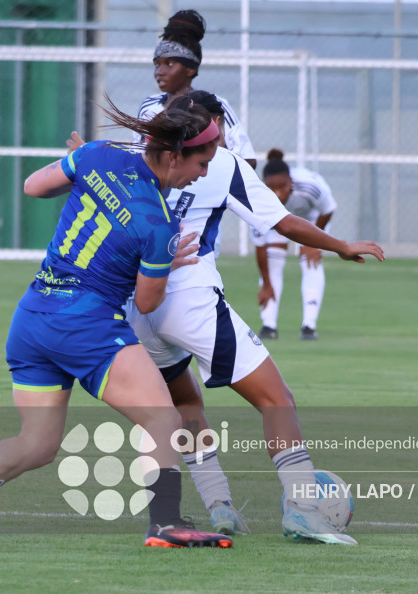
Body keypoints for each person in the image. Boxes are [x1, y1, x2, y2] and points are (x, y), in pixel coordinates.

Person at [0, 96, 231, 549]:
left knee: (38, 443)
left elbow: (33, 186)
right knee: (163, 416)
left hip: (33, 317)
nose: (202, 173)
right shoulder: (160, 227)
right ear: (173, 154)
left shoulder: (98, 154)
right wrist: (169, 265)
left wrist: (87, 173)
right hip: (84, 323)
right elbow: (145, 302)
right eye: (201, 162)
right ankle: (165, 524)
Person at [124, 91, 385, 545]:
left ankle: (221, 507)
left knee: (186, 405)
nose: (224, 137)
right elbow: (281, 223)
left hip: (138, 305)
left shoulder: (137, 155)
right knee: (276, 399)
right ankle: (304, 509)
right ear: (208, 127)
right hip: (189, 298)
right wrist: (340, 245)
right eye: (222, 127)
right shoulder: (222, 165)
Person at [134, 9, 257, 169]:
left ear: (190, 69)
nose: (160, 71)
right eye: (157, 64)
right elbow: (138, 154)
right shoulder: (149, 106)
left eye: (169, 64)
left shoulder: (214, 105)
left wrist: (209, 168)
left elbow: (247, 159)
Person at [252, 149, 338, 341]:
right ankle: (269, 325)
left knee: (310, 260)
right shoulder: (258, 200)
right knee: (273, 261)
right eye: (271, 188)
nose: (277, 193)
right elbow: (260, 247)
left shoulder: (310, 187)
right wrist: (266, 284)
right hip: (279, 218)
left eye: (282, 187)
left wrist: (313, 243)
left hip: (312, 216)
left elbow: (328, 209)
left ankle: (309, 326)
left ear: (291, 182)